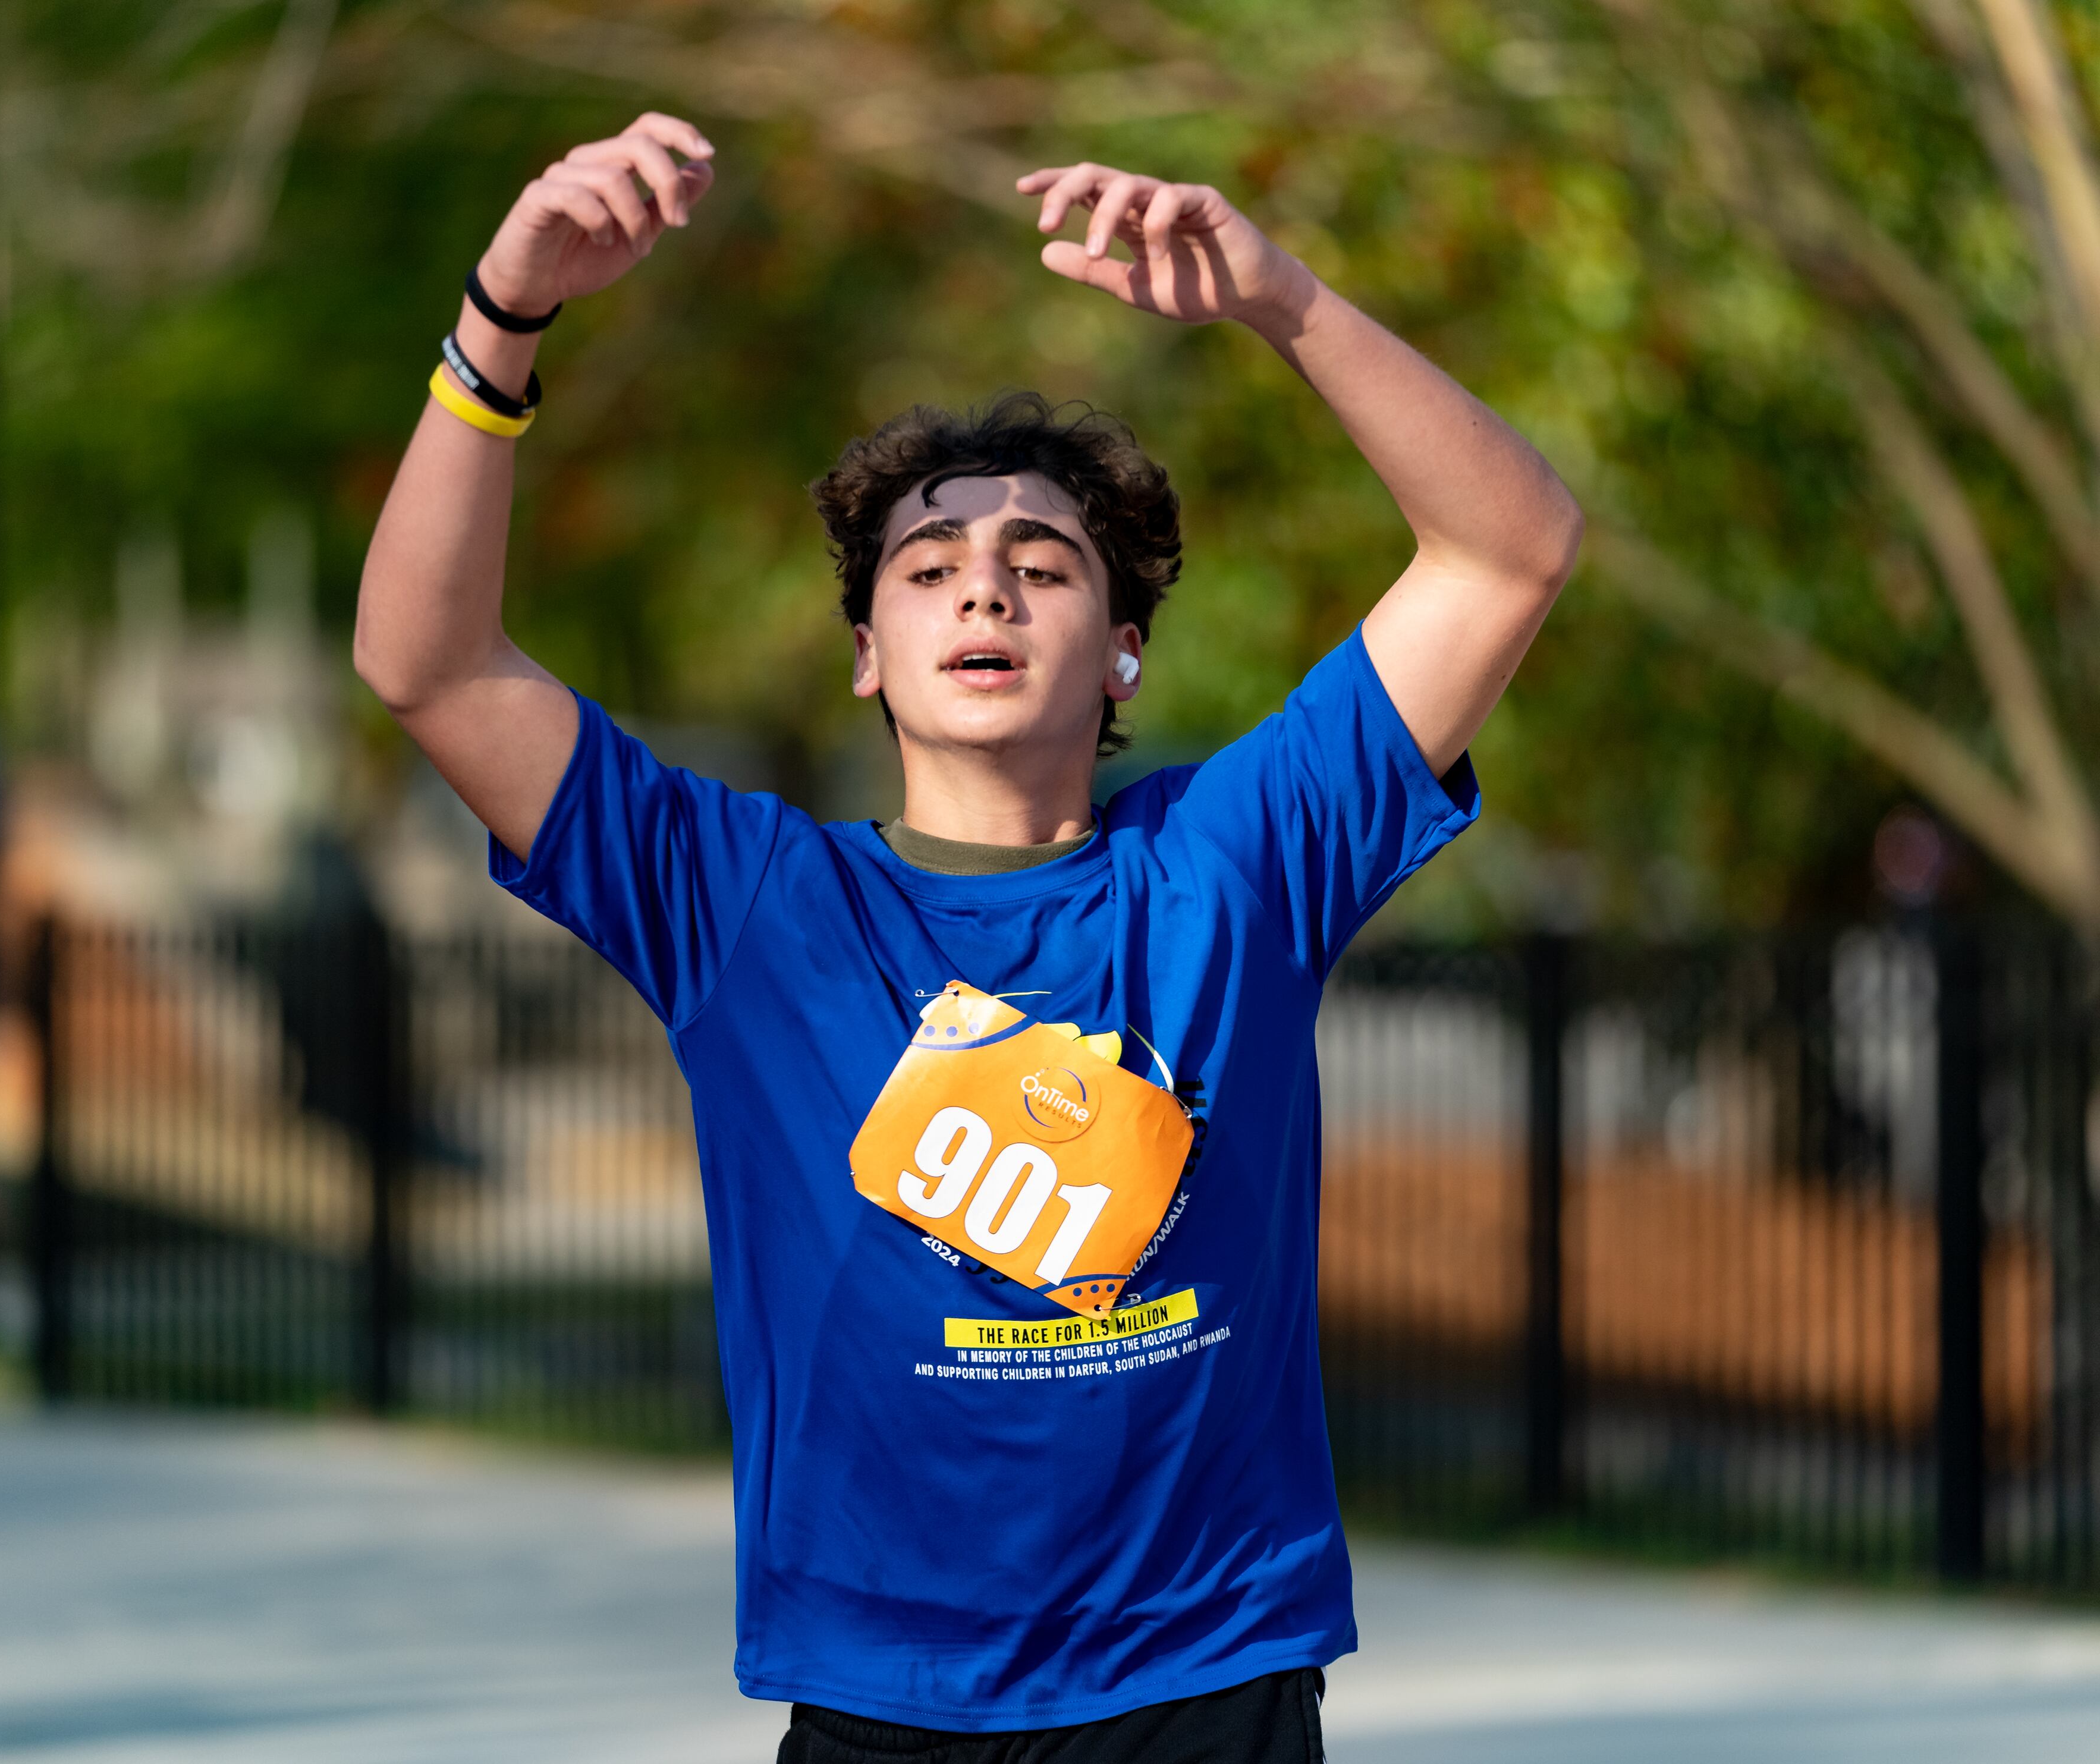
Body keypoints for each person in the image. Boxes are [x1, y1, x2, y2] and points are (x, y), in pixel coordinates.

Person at [356, 114, 1579, 1763]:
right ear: (869, 651)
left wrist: (1285, 299)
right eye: (929, 567)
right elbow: (427, 663)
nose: (983, 589)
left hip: (1205, 1681)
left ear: (1126, 650)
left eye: (1041, 564)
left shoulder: (1239, 858)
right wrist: (500, 322)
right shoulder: (750, 902)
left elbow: (1512, 547)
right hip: (880, 1696)